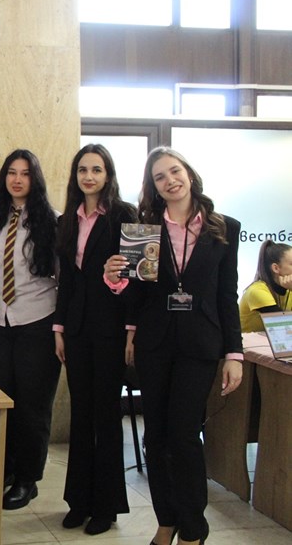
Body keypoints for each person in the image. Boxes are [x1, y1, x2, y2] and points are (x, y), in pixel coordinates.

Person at [104, 146, 243, 545]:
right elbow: (136, 294)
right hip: (155, 343)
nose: (170, 181)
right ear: (154, 187)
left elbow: (226, 295)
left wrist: (234, 354)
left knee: (183, 436)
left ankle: (194, 528)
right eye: (160, 177)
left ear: (189, 174)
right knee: (155, 437)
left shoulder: (224, 228)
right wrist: (115, 279)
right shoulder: (143, 230)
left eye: (175, 171)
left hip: (200, 345)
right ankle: (166, 521)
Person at [53, 144, 136, 534]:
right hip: (77, 329)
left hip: (112, 329)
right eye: (83, 169)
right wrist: (59, 329)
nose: (89, 176)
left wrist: (132, 329)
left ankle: (106, 506)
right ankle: (78, 501)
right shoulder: (68, 219)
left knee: (106, 415)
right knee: (81, 415)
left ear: (108, 175)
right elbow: (66, 281)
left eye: (97, 169)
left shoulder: (124, 216)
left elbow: (137, 277)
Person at [0, 148, 60, 510]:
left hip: (37, 321)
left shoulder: (52, 221)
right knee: (1, 401)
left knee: (33, 405)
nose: (17, 179)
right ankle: (7, 469)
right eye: (11, 172)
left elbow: (62, 277)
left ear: (34, 179)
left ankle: (29, 478)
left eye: (25, 173)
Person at [239, 239, 292, 332]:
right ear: (276, 268)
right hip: (249, 341)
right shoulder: (257, 291)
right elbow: (283, 326)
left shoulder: (289, 289)